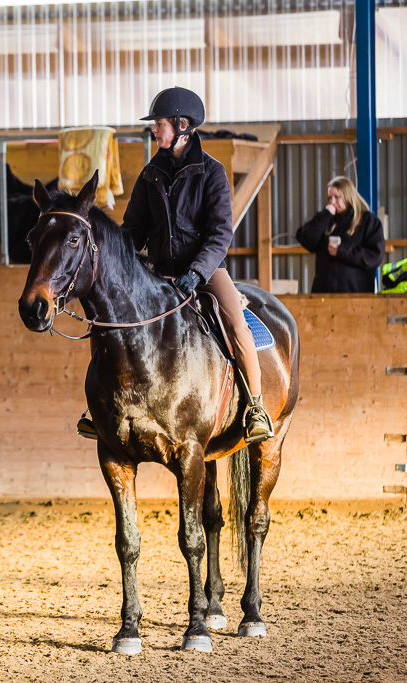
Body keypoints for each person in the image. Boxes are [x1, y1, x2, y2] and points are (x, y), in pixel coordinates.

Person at [77, 86, 272, 444]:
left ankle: (256, 406)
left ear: (182, 126)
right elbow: (133, 229)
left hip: (206, 271)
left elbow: (220, 232)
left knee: (234, 322)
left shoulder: (212, 173)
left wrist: (197, 272)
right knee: (112, 318)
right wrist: (122, 263)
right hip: (158, 271)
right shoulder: (150, 174)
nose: (154, 129)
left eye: (159, 124)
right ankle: (100, 408)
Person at [295, 176, 384, 293]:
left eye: (337, 197)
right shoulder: (326, 221)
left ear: (348, 196)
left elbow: (374, 256)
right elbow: (305, 238)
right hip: (323, 296)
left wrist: (341, 251)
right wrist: (324, 215)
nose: (332, 202)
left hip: (356, 296)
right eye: (329, 198)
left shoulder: (368, 222)